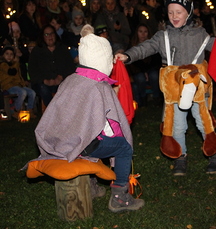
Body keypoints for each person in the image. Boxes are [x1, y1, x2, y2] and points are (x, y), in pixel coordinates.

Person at [115, 0, 216, 176]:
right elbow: (144, 47)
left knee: (203, 121)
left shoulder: (199, 34)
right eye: (171, 12)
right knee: (177, 124)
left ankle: (214, 155)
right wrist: (128, 56)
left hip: (197, 88)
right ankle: (181, 157)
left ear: (188, 12)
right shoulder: (163, 36)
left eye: (179, 11)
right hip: (175, 90)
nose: (174, 16)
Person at [27, 24, 144, 212]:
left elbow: (58, 111)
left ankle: (91, 185)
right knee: (122, 147)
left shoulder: (71, 79)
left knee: (91, 138)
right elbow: (108, 124)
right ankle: (119, 196)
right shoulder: (100, 87)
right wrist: (120, 137)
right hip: (82, 143)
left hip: (62, 140)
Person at [28, 24, 75, 107]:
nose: (50, 37)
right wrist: (45, 80)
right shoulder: (37, 51)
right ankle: (52, 112)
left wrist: (61, 77)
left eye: (52, 34)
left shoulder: (62, 49)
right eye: (47, 34)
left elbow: (70, 67)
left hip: (60, 81)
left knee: (67, 89)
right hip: (43, 83)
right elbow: (33, 70)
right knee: (44, 90)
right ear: (43, 37)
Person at [127, 23, 162, 107]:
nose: (143, 34)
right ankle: (143, 99)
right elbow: (132, 63)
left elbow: (156, 61)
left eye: (145, 32)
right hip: (137, 71)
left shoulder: (153, 45)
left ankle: (156, 98)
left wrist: (147, 71)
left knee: (154, 75)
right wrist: (143, 71)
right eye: (140, 31)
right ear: (137, 33)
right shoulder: (132, 45)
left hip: (151, 69)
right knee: (140, 78)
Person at [0, 46, 36, 119]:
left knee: (32, 92)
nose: (9, 56)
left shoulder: (15, 65)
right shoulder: (3, 65)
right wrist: (16, 63)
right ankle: (16, 110)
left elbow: (19, 76)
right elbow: (11, 72)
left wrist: (23, 83)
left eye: (11, 54)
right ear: (3, 55)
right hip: (8, 86)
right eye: (7, 54)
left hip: (17, 85)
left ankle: (29, 110)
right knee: (22, 92)